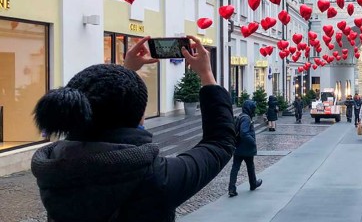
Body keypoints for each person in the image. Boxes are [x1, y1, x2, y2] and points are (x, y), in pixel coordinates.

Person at [31, 36, 236, 221]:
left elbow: (106, 106)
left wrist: (125, 72)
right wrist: (206, 74)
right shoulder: (156, 177)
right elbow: (219, 143)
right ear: (141, 116)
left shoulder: (53, 168)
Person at [228, 100, 262, 197]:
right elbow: (244, 133)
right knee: (250, 166)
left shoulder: (240, 116)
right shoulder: (246, 118)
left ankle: (232, 188)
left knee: (235, 168)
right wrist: (252, 141)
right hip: (246, 147)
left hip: (238, 146)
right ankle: (253, 184)